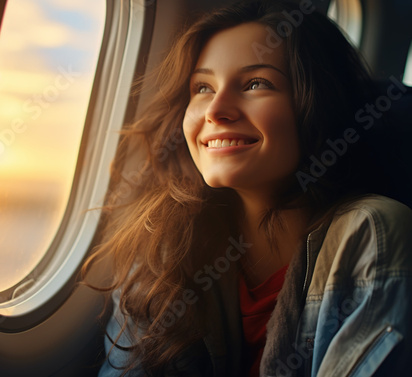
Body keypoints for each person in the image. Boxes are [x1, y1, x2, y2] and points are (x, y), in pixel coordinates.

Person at [80, 1, 412, 376]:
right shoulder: (162, 245)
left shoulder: (375, 234)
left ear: (317, 103)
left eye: (256, 84)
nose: (216, 110)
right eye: (202, 87)